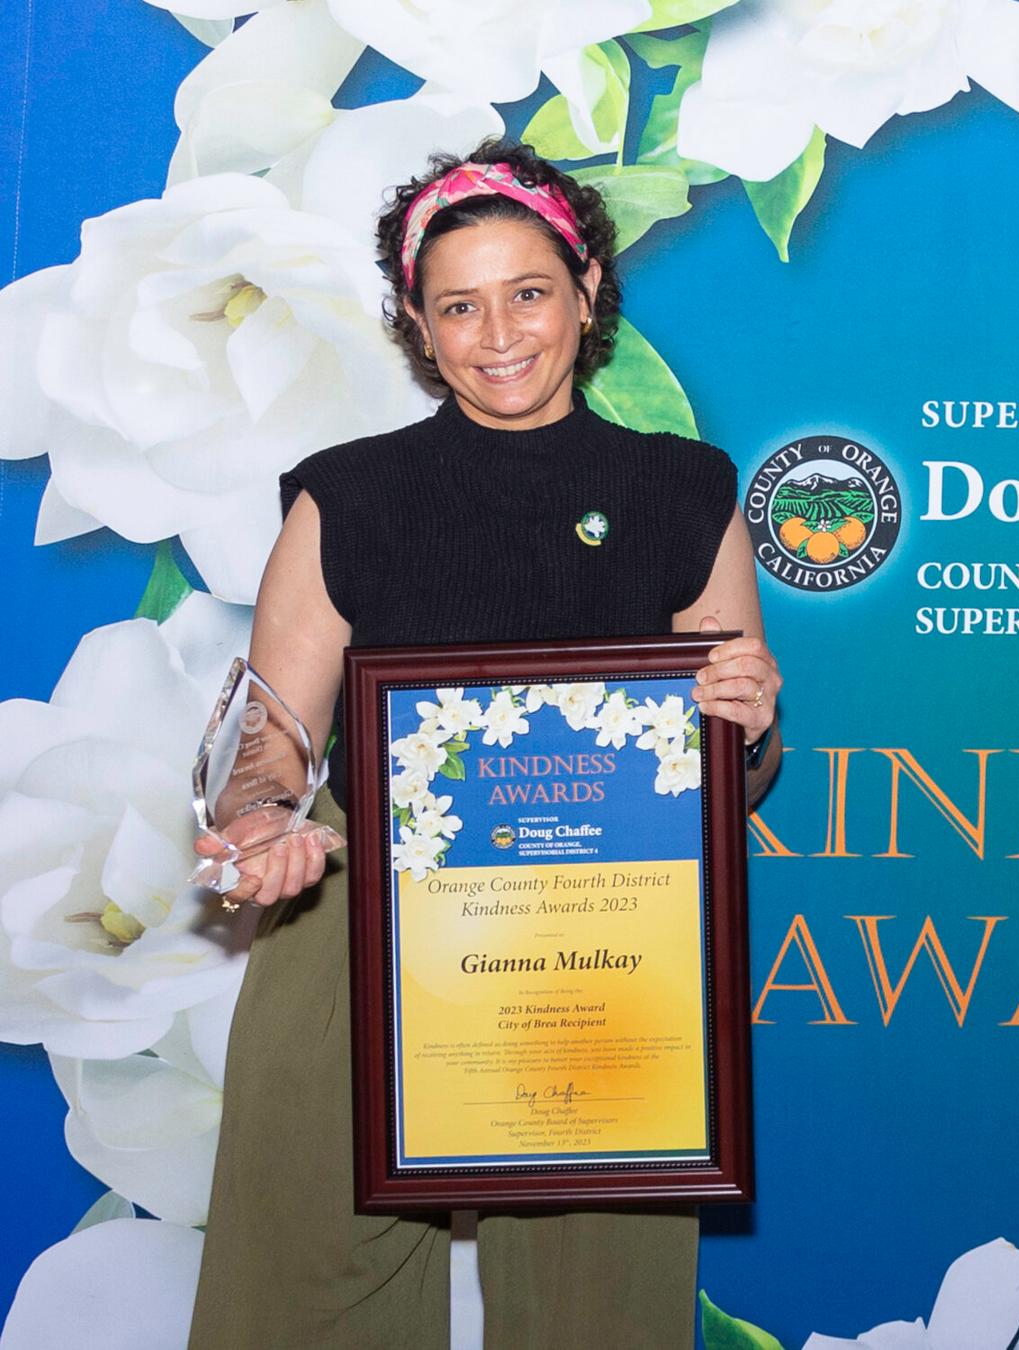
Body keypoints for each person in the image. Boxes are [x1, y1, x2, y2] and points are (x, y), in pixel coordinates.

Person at [188, 140, 782, 1350]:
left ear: (588, 293)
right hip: (359, 927)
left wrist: (746, 721)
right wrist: (259, 823)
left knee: (599, 1308)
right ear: (418, 321)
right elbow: (272, 741)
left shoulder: (686, 490)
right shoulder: (344, 497)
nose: (498, 332)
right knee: (306, 1292)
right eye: (459, 304)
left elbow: (734, 771)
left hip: (607, 935)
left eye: (528, 293)